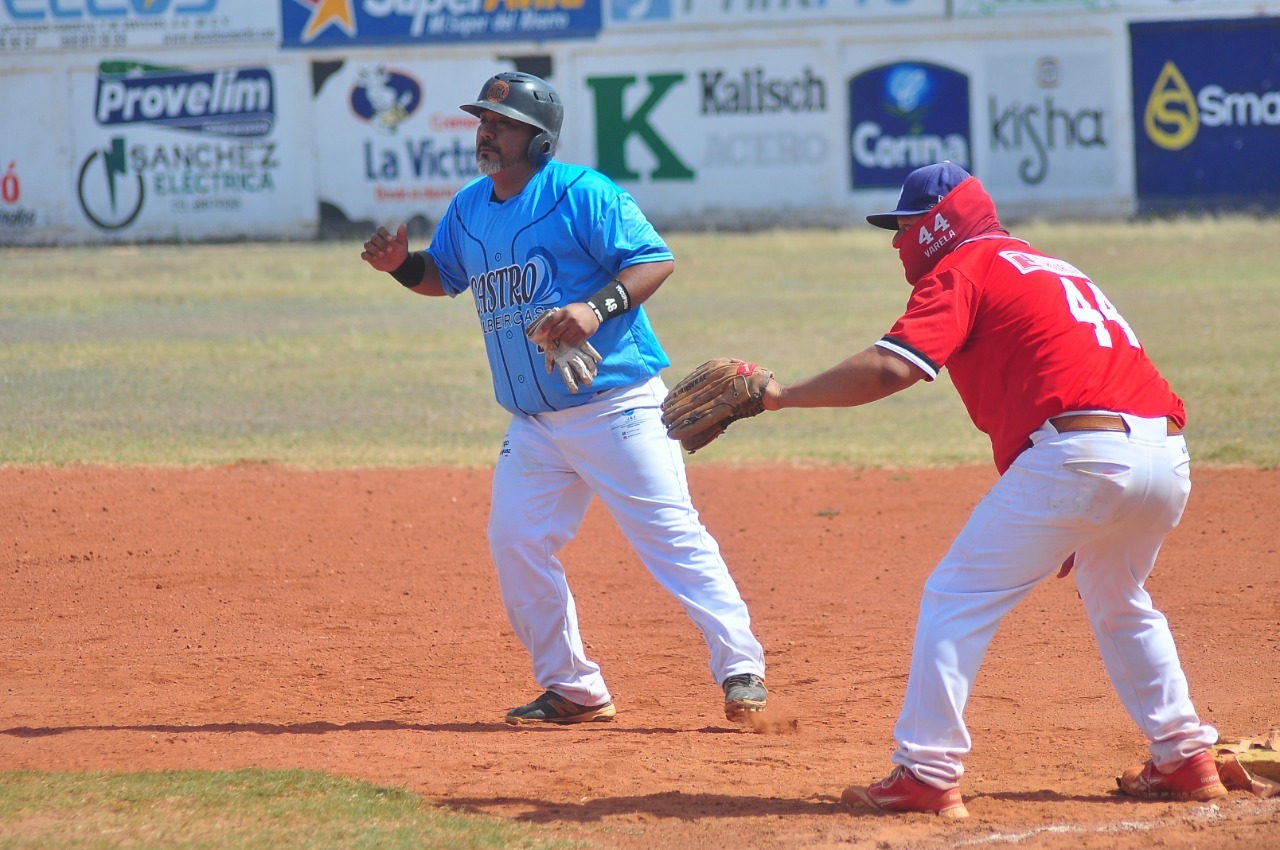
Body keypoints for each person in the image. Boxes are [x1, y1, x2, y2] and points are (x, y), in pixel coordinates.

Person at [758, 162, 1224, 816]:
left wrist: (781, 397)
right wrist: (1081, 509)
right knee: (1119, 597)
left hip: (1083, 456)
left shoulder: (965, 267)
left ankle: (926, 770)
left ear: (939, 223)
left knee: (955, 596)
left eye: (905, 226)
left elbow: (893, 365)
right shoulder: (1055, 266)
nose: (897, 243)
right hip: (1162, 454)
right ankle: (1182, 753)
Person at [359, 71, 768, 726]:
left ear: (538, 136)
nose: (486, 130)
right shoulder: (468, 207)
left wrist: (593, 307)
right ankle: (574, 688)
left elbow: (652, 259)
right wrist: (402, 268)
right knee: (515, 541)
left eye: (501, 121)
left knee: (670, 537)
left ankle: (741, 666)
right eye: (483, 119)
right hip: (535, 426)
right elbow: (446, 276)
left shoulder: (583, 193)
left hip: (618, 405)